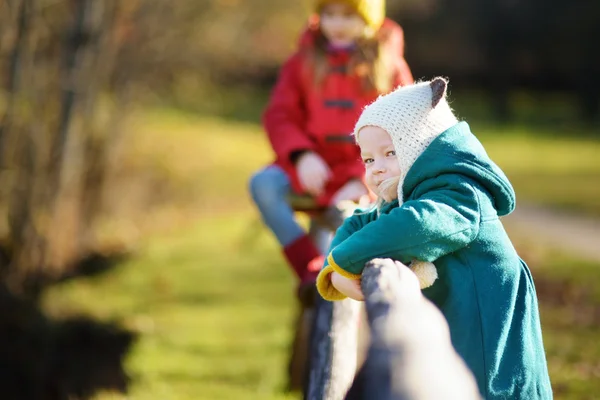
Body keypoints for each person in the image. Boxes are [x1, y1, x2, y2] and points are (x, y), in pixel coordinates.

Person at [316, 77, 553, 399]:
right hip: (457, 319)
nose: (377, 168)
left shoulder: (458, 191)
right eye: (369, 159)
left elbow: (417, 225)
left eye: (390, 152)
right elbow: (362, 222)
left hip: (487, 319)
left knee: (489, 388)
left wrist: (344, 261)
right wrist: (335, 267)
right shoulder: (407, 194)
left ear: (422, 146)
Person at [249, 0, 414, 297]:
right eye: (329, 15)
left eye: (348, 16)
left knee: (351, 233)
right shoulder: (302, 60)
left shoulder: (389, 65)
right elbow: (280, 115)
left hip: (362, 177)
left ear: (369, 18)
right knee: (263, 184)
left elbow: (403, 129)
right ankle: (307, 267)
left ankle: (333, 280)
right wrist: (302, 155)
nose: (337, 25)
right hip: (311, 171)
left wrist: (361, 179)